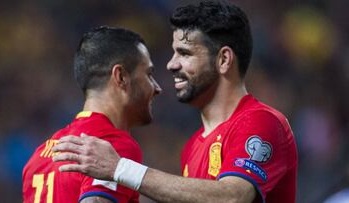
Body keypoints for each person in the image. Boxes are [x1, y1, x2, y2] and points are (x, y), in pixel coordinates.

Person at [52, 1, 298, 203]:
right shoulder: (192, 147)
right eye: (173, 52)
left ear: (223, 60)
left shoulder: (261, 121)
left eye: (185, 53)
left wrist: (120, 169)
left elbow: (234, 197)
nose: (171, 64)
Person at [22, 26, 162, 203]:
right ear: (121, 77)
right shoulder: (112, 147)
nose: (157, 88)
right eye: (148, 74)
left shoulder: (40, 155)